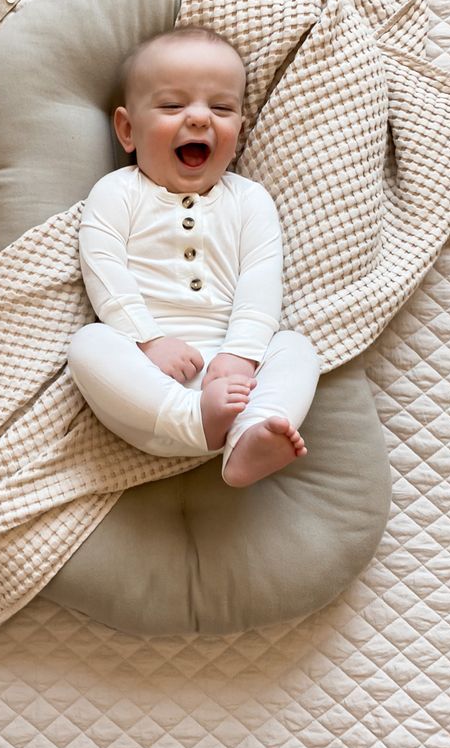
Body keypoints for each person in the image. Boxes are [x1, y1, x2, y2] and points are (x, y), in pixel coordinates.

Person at [67, 26, 320, 487]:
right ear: (128, 129)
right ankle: (194, 417)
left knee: (298, 349)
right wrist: (148, 339)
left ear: (239, 131)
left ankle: (251, 435)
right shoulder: (118, 192)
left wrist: (241, 353)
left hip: (236, 380)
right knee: (88, 344)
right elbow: (104, 269)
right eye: (172, 105)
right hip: (149, 388)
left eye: (221, 108)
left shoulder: (249, 200)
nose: (201, 118)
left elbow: (260, 282)